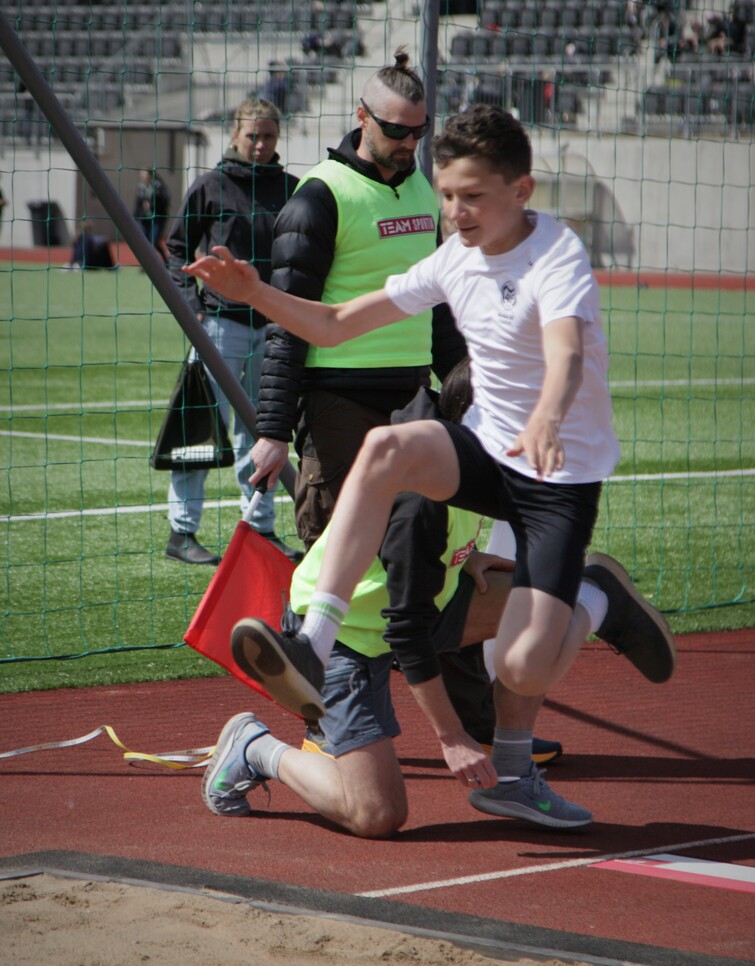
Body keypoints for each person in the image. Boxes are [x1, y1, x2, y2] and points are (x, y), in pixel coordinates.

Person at [184, 104, 678, 822]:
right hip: (484, 457)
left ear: (521, 191)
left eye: (471, 195)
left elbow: (566, 349)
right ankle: (313, 642)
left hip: (556, 476)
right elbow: (337, 322)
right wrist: (254, 292)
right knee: (387, 448)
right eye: (445, 195)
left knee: (522, 663)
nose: (454, 212)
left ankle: (592, 598)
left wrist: (546, 414)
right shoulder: (454, 257)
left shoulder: (556, 252)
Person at [202, 364, 580, 837]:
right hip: (348, 637)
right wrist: (452, 737)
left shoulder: (463, 459)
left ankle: (513, 769)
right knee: (377, 814)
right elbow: (407, 630)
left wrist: (467, 557)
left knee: (550, 607)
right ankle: (256, 748)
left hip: (421, 606)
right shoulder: (422, 498)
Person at [251, 48, 466, 552]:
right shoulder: (319, 197)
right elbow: (288, 320)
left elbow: (436, 307)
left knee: (419, 555)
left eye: (419, 130)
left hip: (414, 400)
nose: (409, 143)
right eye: (396, 131)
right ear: (362, 117)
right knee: (336, 559)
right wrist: (274, 431)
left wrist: (469, 388)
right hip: (339, 406)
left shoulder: (422, 189)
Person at [164, 97, 301, 565]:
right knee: (199, 428)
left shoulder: (293, 189)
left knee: (262, 433)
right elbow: (177, 248)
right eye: (252, 135)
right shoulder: (210, 186)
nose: (260, 144)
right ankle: (182, 532)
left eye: (269, 136)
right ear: (235, 134)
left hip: (275, 330)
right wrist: (193, 310)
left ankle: (260, 531)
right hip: (219, 327)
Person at [134, 169, 171, 264]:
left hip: (157, 218)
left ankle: (153, 263)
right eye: (141, 175)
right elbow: (138, 204)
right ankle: (157, 262)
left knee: (154, 241)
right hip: (144, 219)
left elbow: (165, 202)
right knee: (146, 242)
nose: (143, 177)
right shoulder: (141, 188)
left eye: (144, 175)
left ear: (150, 176)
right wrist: (135, 217)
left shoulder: (160, 187)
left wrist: (151, 205)